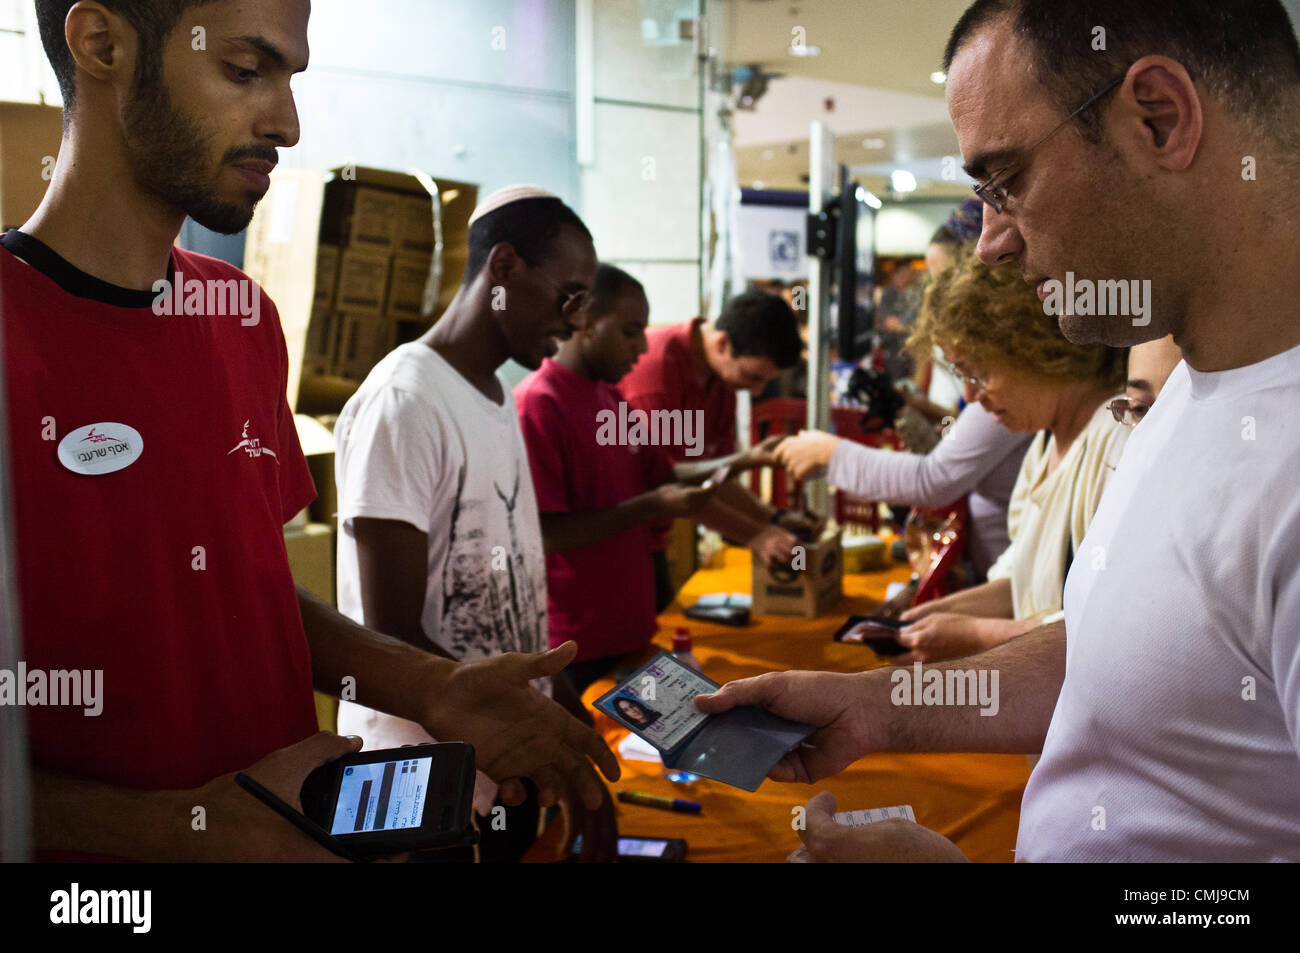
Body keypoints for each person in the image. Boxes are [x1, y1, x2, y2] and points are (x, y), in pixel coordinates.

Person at [2, 0, 616, 862]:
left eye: (292, 77)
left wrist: (434, 685)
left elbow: (244, 598)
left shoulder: (242, 318)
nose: (287, 123)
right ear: (102, 44)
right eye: (246, 72)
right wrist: (182, 832)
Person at [697, 0, 1300, 862]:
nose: (991, 244)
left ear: (1159, 118)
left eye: (1007, 182)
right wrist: (874, 709)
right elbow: (1119, 654)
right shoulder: (1188, 394)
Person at [333, 186, 620, 860]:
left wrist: (572, 732)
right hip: (419, 788)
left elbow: (518, 600)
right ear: (505, 266)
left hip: (499, 767)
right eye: (569, 296)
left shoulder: (496, 397)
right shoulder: (405, 401)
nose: (576, 321)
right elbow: (390, 632)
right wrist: (538, 731)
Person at [514, 265, 781, 693]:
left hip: (630, 629)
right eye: (630, 332)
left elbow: (666, 473)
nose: (641, 348)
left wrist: (748, 461)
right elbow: (547, 533)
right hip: (573, 643)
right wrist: (652, 506)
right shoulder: (538, 403)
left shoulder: (609, 396)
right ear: (582, 320)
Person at [618, 291, 814, 608]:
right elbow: (671, 482)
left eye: (765, 382)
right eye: (752, 377)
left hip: (654, 537)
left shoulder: (720, 377)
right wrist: (756, 534)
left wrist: (773, 518)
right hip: (620, 543)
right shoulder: (657, 372)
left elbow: (716, 475)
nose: (757, 391)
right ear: (722, 343)